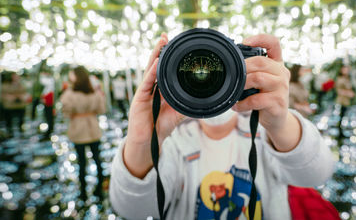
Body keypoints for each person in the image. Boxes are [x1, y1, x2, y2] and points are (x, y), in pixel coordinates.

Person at [109, 34, 335, 219]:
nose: (205, 77)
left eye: (218, 67)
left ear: (242, 68)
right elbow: (132, 210)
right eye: (193, 70)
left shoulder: (265, 134)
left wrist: (280, 123)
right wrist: (144, 140)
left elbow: (317, 174)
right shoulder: (173, 144)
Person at [60, 66, 106, 201]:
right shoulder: (94, 92)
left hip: (78, 128)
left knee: (81, 162)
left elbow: (66, 111)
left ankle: (83, 192)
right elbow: (101, 109)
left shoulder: (69, 93)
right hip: (93, 127)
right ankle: (99, 189)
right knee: (97, 159)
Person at [335, 64, 355, 144]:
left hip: (347, 101)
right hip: (342, 100)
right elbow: (338, 90)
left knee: (345, 116)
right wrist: (348, 93)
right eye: (345, 69)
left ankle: (342, 131)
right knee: (341, 117)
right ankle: (340, 133)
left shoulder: (348, 79)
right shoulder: (340, 79)